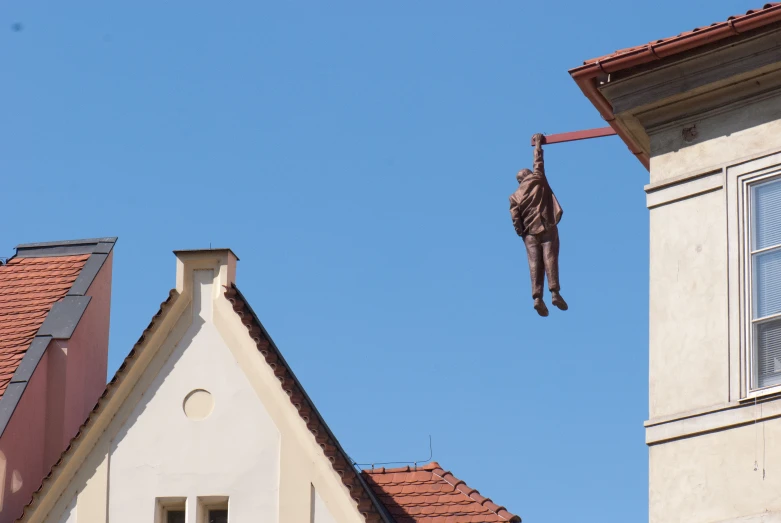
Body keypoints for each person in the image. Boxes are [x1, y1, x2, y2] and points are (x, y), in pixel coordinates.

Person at [509, 133, 568, 317]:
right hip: (546, 227)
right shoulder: (538, 179)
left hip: (529, 235)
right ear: (528, 175)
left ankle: (537, 297)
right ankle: (555, 293)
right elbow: (538, 162)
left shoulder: (514, 197)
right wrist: (537, 146)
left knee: (534, 264)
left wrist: (522, 233)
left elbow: (515, 219)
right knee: (550, 258)